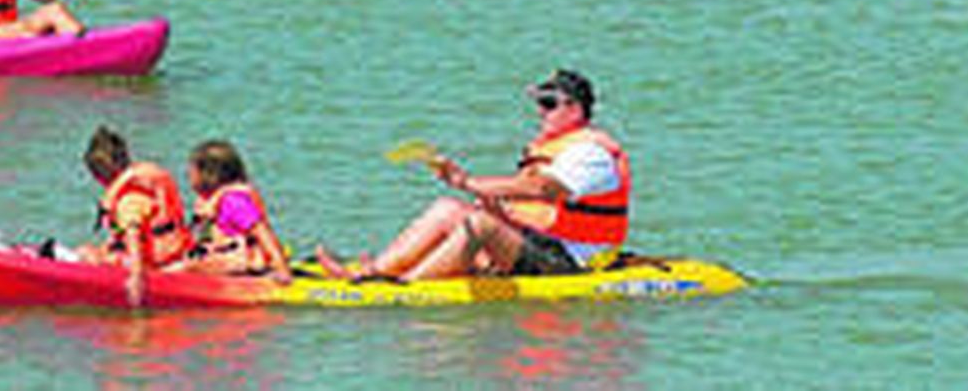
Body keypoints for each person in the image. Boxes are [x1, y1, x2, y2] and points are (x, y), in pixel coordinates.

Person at [316, 70, 631, 283]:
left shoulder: (592, 154)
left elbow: (544, 189)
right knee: (448, 208)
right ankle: (372, 273)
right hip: (542, 244)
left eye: (549, 104)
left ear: (576, 109)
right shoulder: (558, 148)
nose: (539, 111)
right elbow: (532, 204)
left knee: (478, 225)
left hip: (571, 263)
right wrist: (487, 201)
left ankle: (405, 287)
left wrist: (467, 182)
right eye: (539, 103)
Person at [77, 127, 193, 307]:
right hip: (174, 253)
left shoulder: (129, 200)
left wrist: (136, 277)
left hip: (154, 263)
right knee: (95, 250)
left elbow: (133, 235)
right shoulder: (143, 186)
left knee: (85, 254)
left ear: (98, 175)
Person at [168, 140, 292, 283]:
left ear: (208, 173)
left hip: (244, 267)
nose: (188, 176)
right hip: (222, 262)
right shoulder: (213, 200)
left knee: (182, 268)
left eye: (191, 171)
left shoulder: (233, 202)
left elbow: (263, 233)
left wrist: (282, 270)